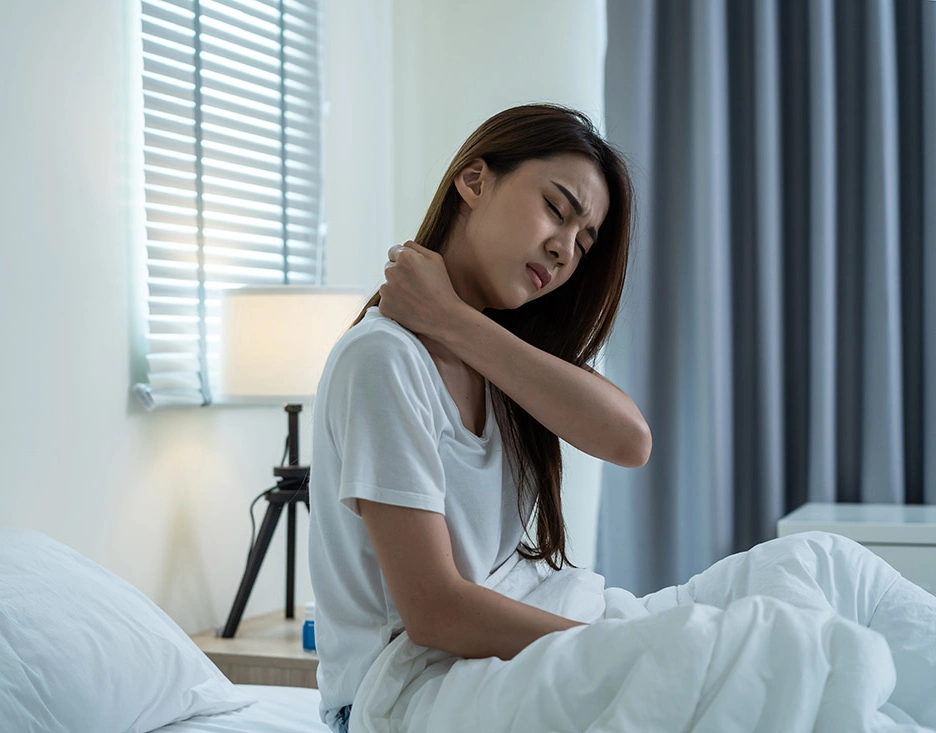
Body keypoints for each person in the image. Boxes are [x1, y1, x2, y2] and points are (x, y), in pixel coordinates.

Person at [306, 104, 936, 733]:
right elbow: (434, 612)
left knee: (825, 564)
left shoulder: (492, 353)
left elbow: (629, 439)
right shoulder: (382, 360)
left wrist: (453, 319)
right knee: (774, 651)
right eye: (557, 209)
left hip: (526, 638)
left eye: (585, 242)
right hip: (415, 686)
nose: (564, 250)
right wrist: (615, 646)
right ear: (474, 181)